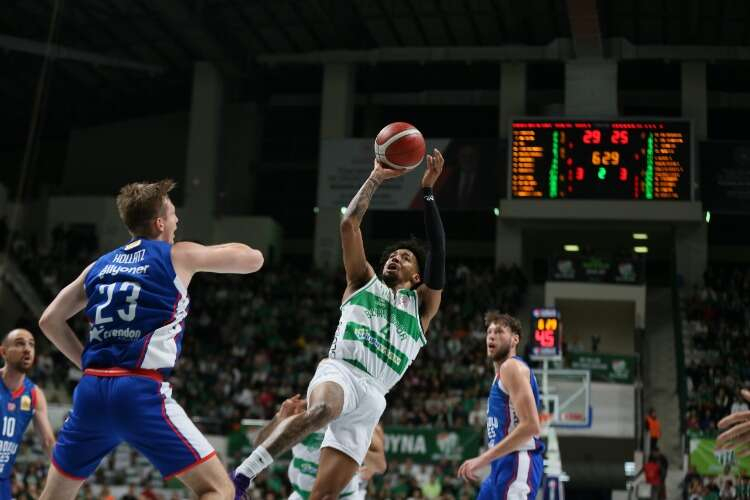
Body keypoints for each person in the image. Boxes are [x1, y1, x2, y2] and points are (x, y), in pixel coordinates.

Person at [234, 151, 446, 499]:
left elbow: (438, 248)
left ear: (417, 276)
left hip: (375, 396)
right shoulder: (364, 280)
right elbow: (349, 225)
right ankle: (242, 476)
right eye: (392, 255)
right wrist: (376, 176)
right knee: (321, 411)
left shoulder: (421, 308)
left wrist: (428, 192)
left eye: (405, 257)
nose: (395, 257)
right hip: (342, 371)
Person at [36, 179, 264, 500]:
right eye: (172, 214)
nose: (177, 221)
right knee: (219, 489)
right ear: (159, 223)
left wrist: (88, 364)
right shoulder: (177, 255)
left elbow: (49, 320)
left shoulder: (98, 266)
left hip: (91, 391)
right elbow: (253, 260)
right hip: (139, 391)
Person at [457, 312, 545, 500]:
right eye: (489, 332)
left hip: (518, 461)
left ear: (515, 340)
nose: (491, 335)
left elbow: (531, 426)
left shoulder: (511, 367)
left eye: (499, 331)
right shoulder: (501, 375)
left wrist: (482, 458)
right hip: (502, 464)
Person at [251, 394, 386, 499]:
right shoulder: (306, 417)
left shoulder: (365, 426)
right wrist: (280, 418)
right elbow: (259, 446)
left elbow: (380, 467)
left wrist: (354, 446)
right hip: (301, 495)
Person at [0, 329, 55, 499]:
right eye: (20, 343)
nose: (27, 349)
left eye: (31, 344)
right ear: (3, 352)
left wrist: (70, 471)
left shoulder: (34, 394)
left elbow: (47, 442)